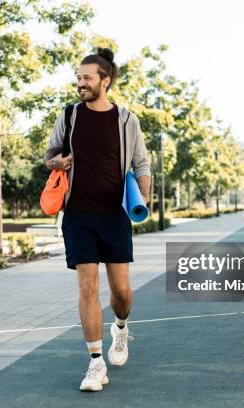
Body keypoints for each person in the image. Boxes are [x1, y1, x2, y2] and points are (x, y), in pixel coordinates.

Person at [44, 48, 151, 392]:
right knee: (87, 287)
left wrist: (142, 200)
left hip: (114, 215)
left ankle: (120, 328)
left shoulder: (125, 120)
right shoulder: (70, 115)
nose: (80, 83)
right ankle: (95, 363)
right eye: (78, 77)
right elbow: (50, 154)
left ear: (105, 81)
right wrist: (57, 163)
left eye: (87, 78)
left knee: (121, 292)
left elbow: (142, 164)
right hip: (77, 216)